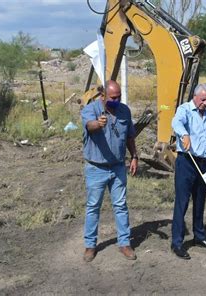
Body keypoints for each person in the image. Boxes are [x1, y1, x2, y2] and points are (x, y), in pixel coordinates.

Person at [80, 80, 139, 262]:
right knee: (93, 207)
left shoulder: (124, 111)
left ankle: (124, 243)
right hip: (96, 168)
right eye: (113, 97)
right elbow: (89, 126)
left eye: (119, 96)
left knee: (121, 206)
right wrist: (98, 124)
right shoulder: (91, 109)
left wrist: (135, 156)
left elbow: (129, 136)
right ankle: (90, 246)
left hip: (118, 167)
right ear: (103, 95)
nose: (117, 99)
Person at [170, 83, 206, 260]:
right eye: (203, 99)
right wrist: (184, 134)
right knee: (182, 202)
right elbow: (176, 122)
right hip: (187, 162)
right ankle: (177, 242)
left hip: (203, 163)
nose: (205, 103)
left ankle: (199, 236)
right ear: (195, 97)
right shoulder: (185, 110)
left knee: (199, 202)